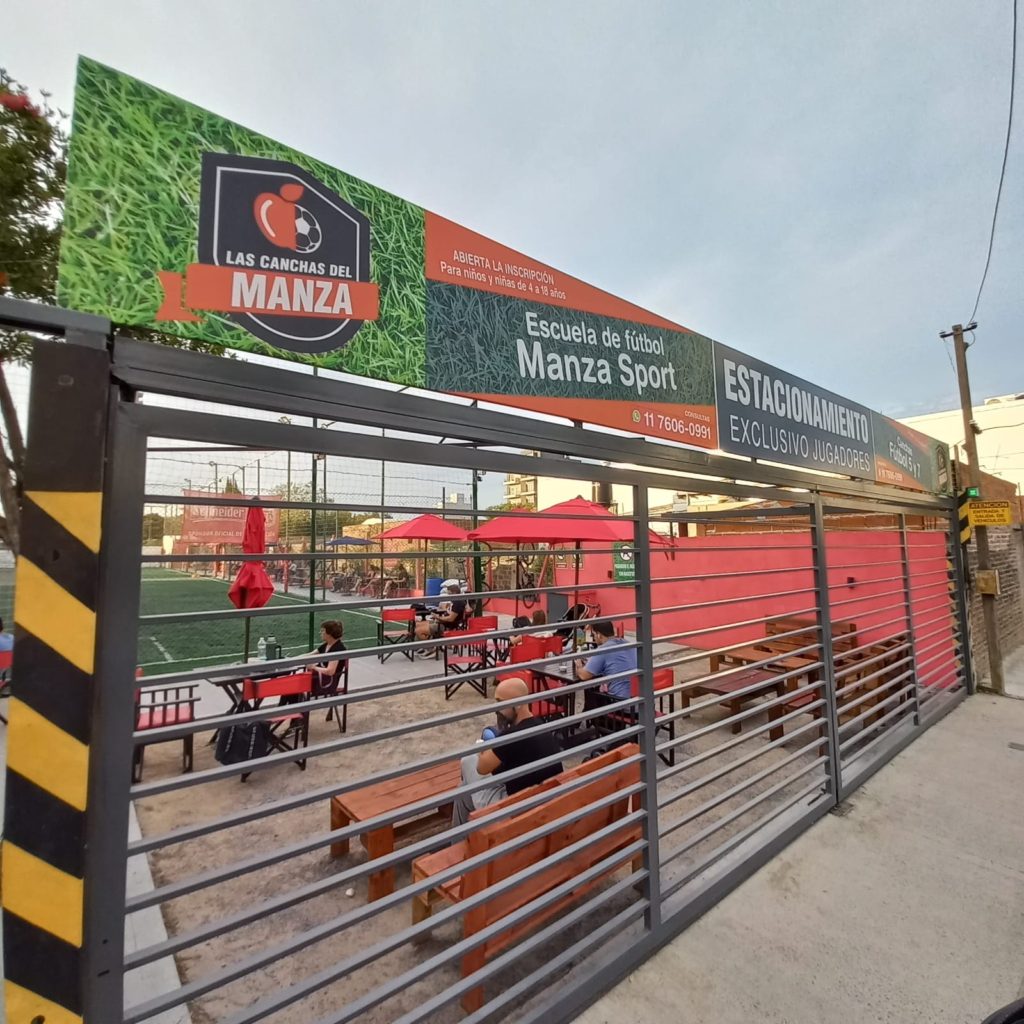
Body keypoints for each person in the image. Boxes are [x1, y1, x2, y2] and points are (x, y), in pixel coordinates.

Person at [452, 677, 563, 827]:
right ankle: (458, 843)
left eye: (500, 702)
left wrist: (482, 748)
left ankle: (458, 844)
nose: (497, 709)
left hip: (513, 813)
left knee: (468, 760)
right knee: (463, 792)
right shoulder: (541, 726)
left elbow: (481, 768)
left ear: (517, 705)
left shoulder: (512, 736)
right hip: (543, 806)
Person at [575, 619, 636, 715]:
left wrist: (578, 666)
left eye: (593, 635)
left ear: (599, 634)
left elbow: (584, 676)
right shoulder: (627, 643)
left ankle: (596, 723)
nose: (594, 638)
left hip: (622, 704)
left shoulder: (603, 649)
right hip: (642, 701)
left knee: (591, 692)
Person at [310, 620, 346, 695]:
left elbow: (330, 671)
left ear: (329, 634)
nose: (320, 633)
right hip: (318, 678)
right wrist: (293, 659)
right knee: (292, 686)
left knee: (294, 686)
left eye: (323, 631)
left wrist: (313, 667)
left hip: (326, 683)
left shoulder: (338, 649)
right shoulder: (327, 645)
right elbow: (311, 654)